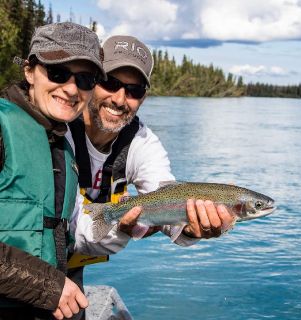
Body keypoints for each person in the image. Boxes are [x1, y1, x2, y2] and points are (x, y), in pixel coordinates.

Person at [66, 37, 235, 317]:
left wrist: (190, 228)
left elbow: (164, 192)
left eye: (133, 90)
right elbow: (71, 228)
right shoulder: (60, 128)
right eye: (110, 82)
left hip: (72, 263)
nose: (119, 99)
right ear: (92, 80)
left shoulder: (142, 141)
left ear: (144, 96)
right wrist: (120, 228)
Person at [0, 22, 105, 320]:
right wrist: (46, 285)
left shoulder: (61, 146)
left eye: (85, 79)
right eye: (58, 72)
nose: (72, 88)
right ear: (29, 71)